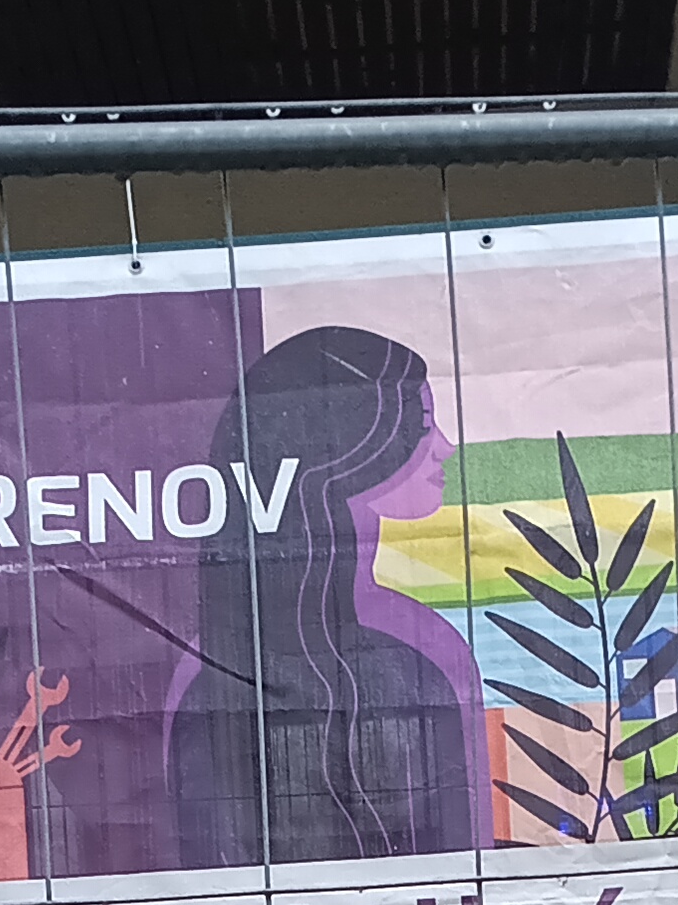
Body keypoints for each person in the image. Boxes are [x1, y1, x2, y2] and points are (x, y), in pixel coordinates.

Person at [162, 326, 484, 868]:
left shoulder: (418, 646)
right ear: (353, 444)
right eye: (422, 423)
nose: (445, 447)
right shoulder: (420, 652)